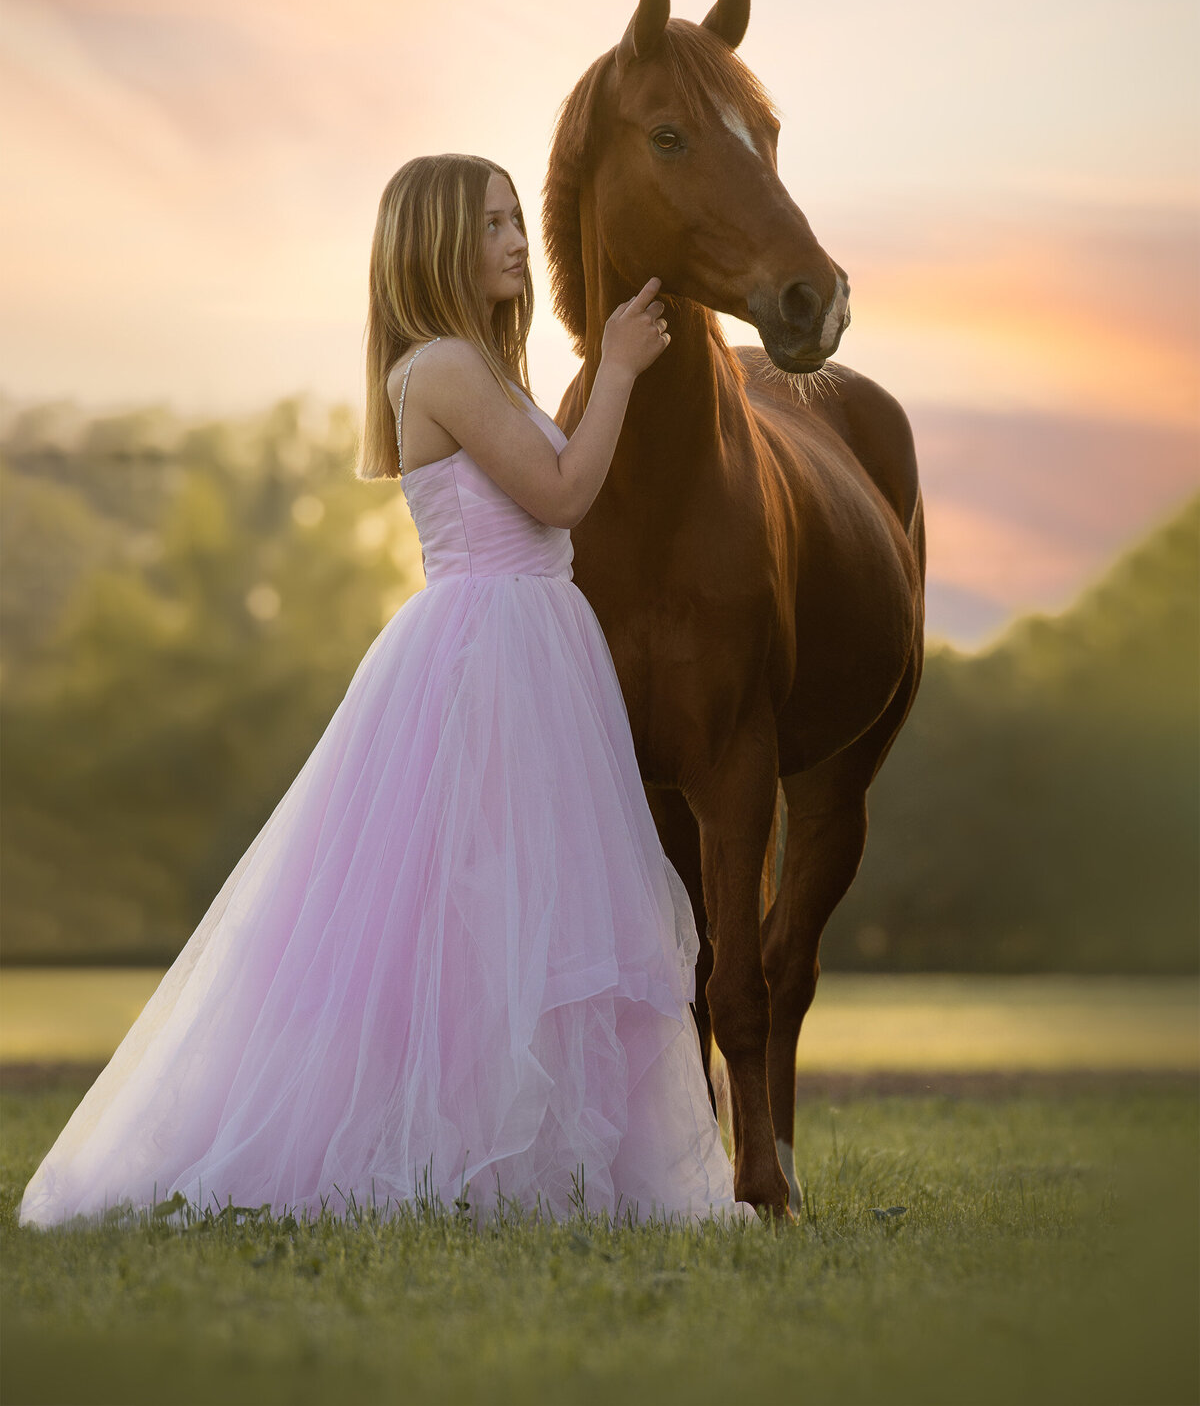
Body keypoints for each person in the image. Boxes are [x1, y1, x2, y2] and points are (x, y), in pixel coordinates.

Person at [18, 153, 754, 1231]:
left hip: (537, 645)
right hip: (488, 656)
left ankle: (549, 1158)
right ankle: (461, 1152)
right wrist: (624, 372)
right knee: (475, 910)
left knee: (531, 908)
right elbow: (560, 496)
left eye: (516, 218)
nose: (516, 240)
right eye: (492, 223)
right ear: (437, 244)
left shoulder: (482, 369)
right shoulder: (445, 365)